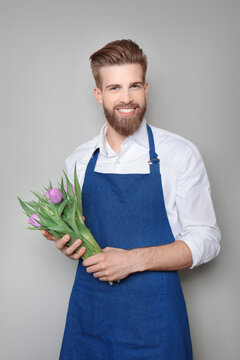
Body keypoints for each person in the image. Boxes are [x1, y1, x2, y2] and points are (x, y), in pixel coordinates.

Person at [42, 39, 221, 359]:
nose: (126, 98)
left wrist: (132, 260)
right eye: (114, 88)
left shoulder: (179, 154)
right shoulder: (80, 161)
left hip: (156, 321)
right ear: (98, 94)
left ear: (146, 88)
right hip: (90, 318)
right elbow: (82, 235)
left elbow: (207, 239)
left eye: (134, 86)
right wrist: (69, 242)